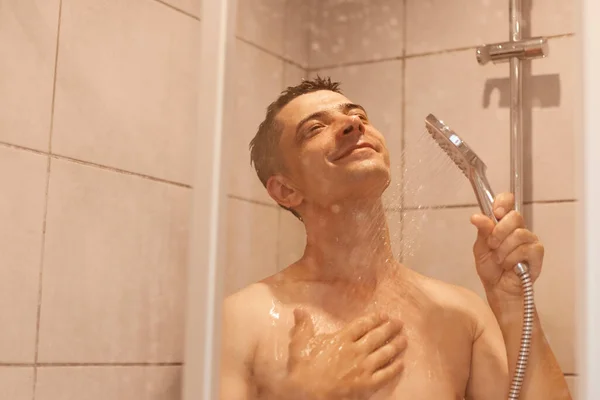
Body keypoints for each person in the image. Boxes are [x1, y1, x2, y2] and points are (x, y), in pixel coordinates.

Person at [219, 77, 571, 399]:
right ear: (286, 190)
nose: (352, 124)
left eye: (358, 115)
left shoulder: (459, 315)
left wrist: (512, 304)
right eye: (314, 128)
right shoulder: (243, 320)